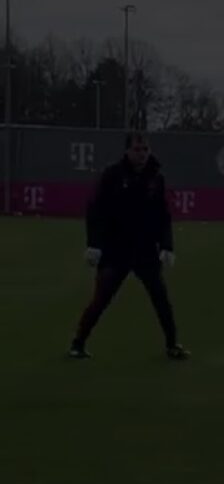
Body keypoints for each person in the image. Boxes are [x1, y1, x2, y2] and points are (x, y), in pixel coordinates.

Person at [70, 132, 188, 360]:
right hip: (116, 250)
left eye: (145, 149)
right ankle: (78, 343)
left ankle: (173, 345)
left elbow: (163, 215)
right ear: (127, 151)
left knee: (160, 298)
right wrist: (94, 244)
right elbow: (96, 211)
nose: (142, 154)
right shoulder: (112, 175)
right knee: (101, 299)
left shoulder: (156, 178)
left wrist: (167, 245)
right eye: (137, 149)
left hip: (145, 250)